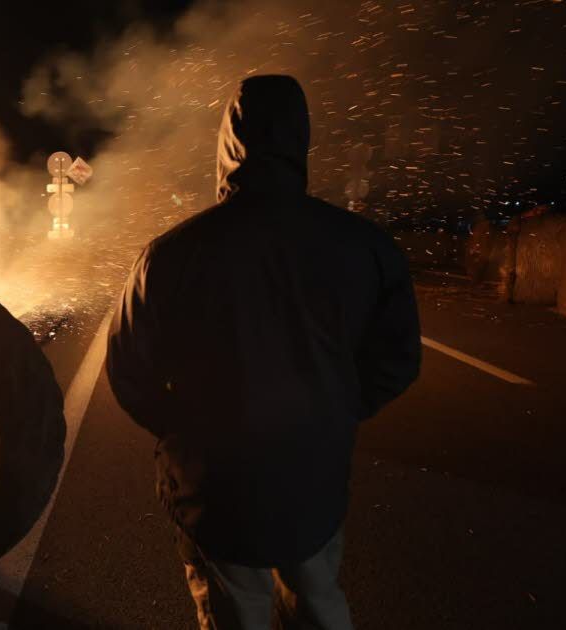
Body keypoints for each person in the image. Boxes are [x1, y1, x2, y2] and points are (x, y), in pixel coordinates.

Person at [105, 74, 421, 630]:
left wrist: (186, 431)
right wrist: (338, 409)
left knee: (237, 612)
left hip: (215, 488)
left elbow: (129, 369)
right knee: (319, 597)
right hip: (315, 477)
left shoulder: (170, 254)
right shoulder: (365, 246)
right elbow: (396, 360)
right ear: (301, 141)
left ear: (228, 144)